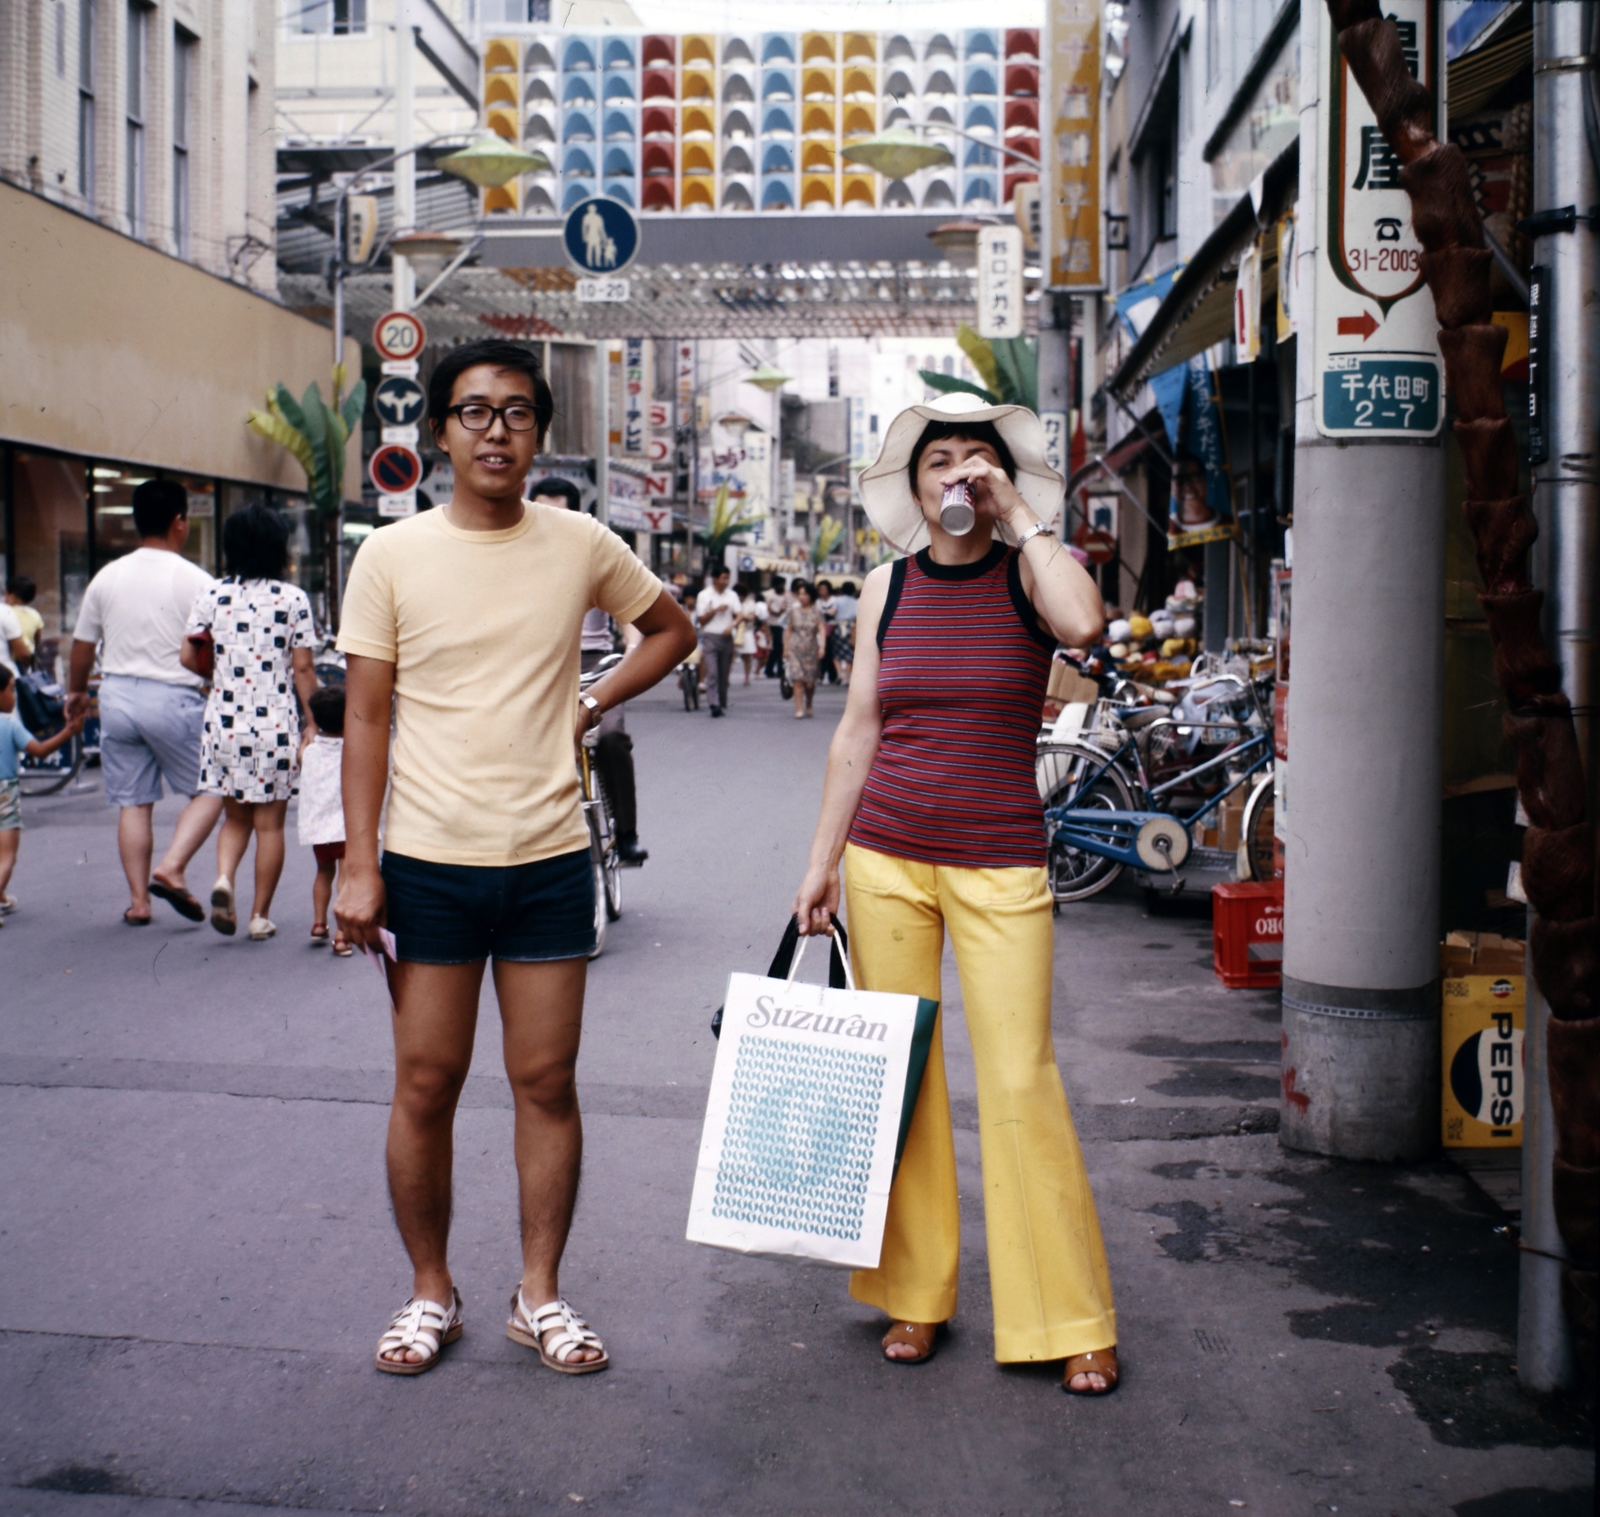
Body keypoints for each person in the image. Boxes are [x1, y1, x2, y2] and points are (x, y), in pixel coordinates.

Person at [332, 338, 695, 1377]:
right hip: (427, 859)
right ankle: (428, 1290)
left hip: (545, 855)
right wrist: (359, 865)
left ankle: (538, 1294)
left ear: (540, 430)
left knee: (545, 1079)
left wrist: (591, 700)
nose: (497, 430)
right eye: (474, 411)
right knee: (426, 1082)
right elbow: (363, 718)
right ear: (440, 431)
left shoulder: (580, 539)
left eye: (518, 413)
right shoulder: (391, 554)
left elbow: (670, 632)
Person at [790, 390, 1120, 1397]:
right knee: (906, 1078)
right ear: (916, 485)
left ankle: (1069, 1315)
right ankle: (913, 1295)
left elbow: (1087, 625)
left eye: (978, 459)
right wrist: (820, 862)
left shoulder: (1032, 577)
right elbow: (857, 730)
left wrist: (1025, 523)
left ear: (1000, 481)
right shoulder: (886, 587)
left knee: (1020, 1079)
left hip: (1000, 859)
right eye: (941, 461)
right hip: (885, 854)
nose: (958, 475)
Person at [65, 479, 222, 926]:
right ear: (179, 522)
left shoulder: (107, 576)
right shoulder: (195, 579)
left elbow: (82, 644)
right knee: (213, 786)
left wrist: (77, 694)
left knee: (133, 801)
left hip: (115, 697)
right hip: (172, 697)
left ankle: (139, 903)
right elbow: (213, 645)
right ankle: (172, 867)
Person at [182, 504, 319, 941]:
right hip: (274, 724)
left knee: (235, 818)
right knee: (270, 824)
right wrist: (312, 722)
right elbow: (302, 670)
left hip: (224, 722)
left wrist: (222, 675)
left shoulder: (212, 596)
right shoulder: (293, 599)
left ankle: (224, 878)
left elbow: (188, 656)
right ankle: (260, 916)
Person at [532, 476, 648, 866]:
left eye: (558, 513)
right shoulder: (517, 556)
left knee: (612, 737)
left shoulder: (598, 555)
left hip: (595, 666)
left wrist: (632, 647)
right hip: (539, 667)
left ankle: (627, 834)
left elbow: (632, 614)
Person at [0, 664, 86, 920]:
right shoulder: (9, 725)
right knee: (6, 854)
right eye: (11, 690)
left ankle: (2, 897)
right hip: (4, 792)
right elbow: (39, 750)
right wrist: (69, 731)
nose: (15, 696)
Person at [298, 683, 351, 956]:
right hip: (345, 827)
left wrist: (308, 737)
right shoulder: (352, 750)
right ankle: (342, 934)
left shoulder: (311, 751)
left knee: (323, 873)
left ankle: (319, 923)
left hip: (319, 828)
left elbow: (301, 755)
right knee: (346, 878)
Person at [694, 565, 740, 717]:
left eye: (728, 578)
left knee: (723, 672)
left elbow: (739, 614)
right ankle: (713, 703)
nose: (726, 581)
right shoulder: (704, 595)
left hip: (727, 636)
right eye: (723, 578)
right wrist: (715, 610)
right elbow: (701, 619)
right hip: (710, 635)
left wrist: (732, 625)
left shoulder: (732, 595)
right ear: (715, 579)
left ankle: (721, 701)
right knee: (712, 671)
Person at [783, 579, 825, 719]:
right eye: (800, 594)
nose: (802, 597)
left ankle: (809, 703)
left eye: (805, 594)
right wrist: (785, 648)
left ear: (811, 596)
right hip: (795, 648)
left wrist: (822, 647)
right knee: (797, 679)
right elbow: (789, 630)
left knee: (809, 683)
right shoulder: (793, 611)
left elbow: (821, 629)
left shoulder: (817, 612)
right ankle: (799, 708)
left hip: (811, 649)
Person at [735, 581, 767, 686]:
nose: (740, 598)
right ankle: (726, 677)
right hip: (734, 630)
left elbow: (752, 617)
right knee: (730, 655)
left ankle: (747, 677)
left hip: (746, 631)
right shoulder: (733, 601)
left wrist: (741, 617)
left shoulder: (750, 603)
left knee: (747, 657)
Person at [5, 578, 44, 663]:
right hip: (27, 659)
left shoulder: (6, 612)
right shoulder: (35, 614)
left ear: (12, 596)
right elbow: (37, 639)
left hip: (10, 659)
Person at [830, 579, 859, 687]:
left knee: (836, 653)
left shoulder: (838, 600)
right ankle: (847, 678)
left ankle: (839, 675)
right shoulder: (856, 602)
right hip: (851, 628)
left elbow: (832, 612)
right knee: (849, 654)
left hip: (839, 627)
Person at [763, 575, 788, 679]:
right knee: (779, 647)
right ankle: (776, 669)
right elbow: (771, 609)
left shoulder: (767, 594)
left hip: (772, 622)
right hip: (777, 623)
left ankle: (772, 669)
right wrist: (780, 611)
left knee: (777, 647)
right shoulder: (775, 595)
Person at [814, 578, 839, 684]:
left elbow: (832, 613)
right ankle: (821, 674)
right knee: (821, 653)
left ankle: (832, 675)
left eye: (824, 589)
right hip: (821, 629)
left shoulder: (834, 600)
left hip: (833, 629)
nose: (822, 591)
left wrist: (824, 613)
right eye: (820, 589)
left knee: (831, 652)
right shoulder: (818, 601)